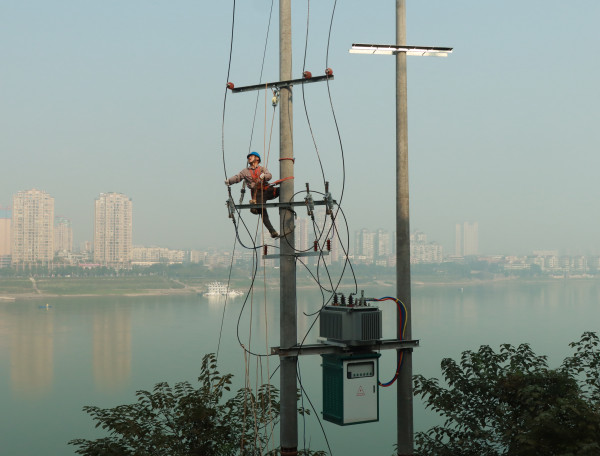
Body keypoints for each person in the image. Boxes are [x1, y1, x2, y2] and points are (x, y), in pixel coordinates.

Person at [225, 151, 280, 238]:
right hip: (257, 194)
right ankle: (272, 231)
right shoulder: (245, 171)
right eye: (249, 157)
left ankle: (284, 210)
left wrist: (264, 176)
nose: (249, 158)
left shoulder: (262, 169)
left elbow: (269, 176)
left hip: (267, 190)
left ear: (257, 159)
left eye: (251, 156)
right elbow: (237, 177)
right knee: (263, 212)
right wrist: (229, 181)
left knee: (282, 190)